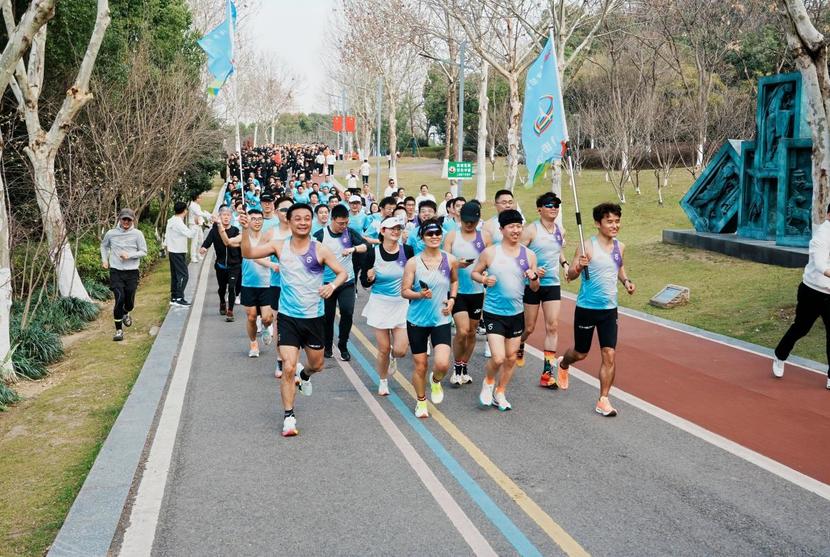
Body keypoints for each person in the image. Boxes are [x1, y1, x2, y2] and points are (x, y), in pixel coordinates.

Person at [240, 203, 348, 437]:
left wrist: (332, 285)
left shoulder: (320, 249)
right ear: (289, 221)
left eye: (307, 218)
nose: (302, 222)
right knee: (288, 367)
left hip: (314, 318)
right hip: (288, 318)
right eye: (297, 218)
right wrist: (245, 231)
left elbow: (343, 273)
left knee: (317, 364)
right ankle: (289, 416)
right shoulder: (279, 247)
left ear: (312, 222)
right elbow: (248, 253)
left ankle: (305, 375)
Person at [559, 203, 636, 417]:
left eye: (617, 221)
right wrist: (579, 267)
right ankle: (564, 363)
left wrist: (626, 282)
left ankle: (603, 399)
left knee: (609, 354)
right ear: (597, 223)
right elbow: (570, 276)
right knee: (580, 353)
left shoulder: (620, 247)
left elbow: (619, 267)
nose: (614, 225)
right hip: (586, 308)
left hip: (609, 310)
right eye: (609, 221)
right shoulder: (587, 247)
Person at [471, 209, 541, 411]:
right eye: (511, 226)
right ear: (501, 229)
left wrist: (533, 277)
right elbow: (475, 273)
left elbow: (535, 288)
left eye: (519, 226)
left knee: (511, 357)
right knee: (498, 357)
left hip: (516, 313)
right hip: (494, 312)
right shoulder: (491, 252)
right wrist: (484, 279)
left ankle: (500, 392)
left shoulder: (529, 255)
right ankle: (488, 383)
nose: (516, 230)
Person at [401, 218, 459, 418]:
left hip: (441, 319)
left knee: (442, 364)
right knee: (420, 365)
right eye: (429, 234)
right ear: (422, 237)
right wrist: (418, 295)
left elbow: (454, 281)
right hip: (417, 320)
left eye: (437, 233)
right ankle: (421, 401)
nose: (434, 237)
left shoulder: (450, 259)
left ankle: (435, 381)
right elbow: (404, 291)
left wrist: (452, 300)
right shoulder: (413, 263)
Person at [773, 202, 830, 390]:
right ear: (829, 215)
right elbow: (822, 266)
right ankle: (780, 356)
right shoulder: (821, 236)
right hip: (812, 292)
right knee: (801, 328)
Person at [519, 192, 568, 388]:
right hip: (532, 284)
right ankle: (520, 343)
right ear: (539, 209)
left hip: (552, 284)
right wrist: (531, 270)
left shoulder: (560, 230)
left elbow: (558, 249)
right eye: (549, 205)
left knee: (553, 326)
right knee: (529, 328)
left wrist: (564, 263)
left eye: (556, 204)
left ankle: (547, 373)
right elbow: (519, 255)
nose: (554, 208)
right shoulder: (531, 230)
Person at [360, 218, 414, 396]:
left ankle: (393, 358)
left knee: (400, 350)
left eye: (399, 228)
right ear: (383, 231)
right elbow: (364, 283)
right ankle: (383, 381)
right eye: (392, 229)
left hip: (401, 304)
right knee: (383, 348)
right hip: (380, 303)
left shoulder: (407, 250)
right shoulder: (372, 253)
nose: (396, 232)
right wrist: (369, 278)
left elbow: (413, 275)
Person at [313, 204, 368, 361]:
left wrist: (353, 249)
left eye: (346, 223)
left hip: (347, 281)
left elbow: (365, 245)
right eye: (340, 223)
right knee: (328, 318)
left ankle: (343, 345)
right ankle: (328, 346)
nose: (343, 226)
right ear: (332, 219)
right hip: (327, 284)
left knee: (347, 312)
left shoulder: (349, 233)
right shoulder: (320, 235)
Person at [445, 202, 491, 385]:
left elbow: (490, 260)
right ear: (459, 218)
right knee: (462, 331)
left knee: (472, 332)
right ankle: (456, 367)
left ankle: (464, 366)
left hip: (477, 291)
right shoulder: (451, 236)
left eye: (473, 221)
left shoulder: (485, 237)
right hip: (457, 290)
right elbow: (443, 261)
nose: (469, 224)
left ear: (478, 219)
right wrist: (456, 263)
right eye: (466, 221)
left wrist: (486, 271)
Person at [100, 208, 147, 341]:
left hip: (132, 272)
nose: (126, 222)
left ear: (133, 220)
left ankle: (126, 313)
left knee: (129, 302)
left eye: (129, 220)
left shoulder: (138, 234)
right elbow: (104, 246)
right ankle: (119, 330)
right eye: (124, 219)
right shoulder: (111, 233)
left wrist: (130, 256)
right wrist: (105, 260)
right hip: (116, 271)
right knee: (119, 299)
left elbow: (143, 251)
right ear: (119, 219)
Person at [237, 209, 276, 358]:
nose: (257, 221)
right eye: (254, 219)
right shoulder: (244, 238)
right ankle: (253, 343)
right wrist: (222, 228)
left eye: (260, 219)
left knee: (267, 318)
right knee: (252, 317)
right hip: (248, 284)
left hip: (266, 284)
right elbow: (228, 241)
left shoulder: (267, 239)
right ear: (248, 221)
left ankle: (266, 327)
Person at [200, 206, 241, 322]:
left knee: (232, 287)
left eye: (228, 215)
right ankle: (222, 302)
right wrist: (204, 247)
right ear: (220, 217)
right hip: (221, 265)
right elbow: (208, 241)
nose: (226, 217)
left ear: (231, 217)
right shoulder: (214, 231)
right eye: (224, 215)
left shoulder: (235, 230)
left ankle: (230, 311)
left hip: (235, 265)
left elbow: (241, 246)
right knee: (222, 288)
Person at [164, 201, 196, 307]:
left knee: (175, 275)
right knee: (184, 275)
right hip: (178, 251)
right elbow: (190, 234)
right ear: (184, 211)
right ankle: (179, 297)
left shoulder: (171, 220)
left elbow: (167, 236)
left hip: (173, 251)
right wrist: (195, 224)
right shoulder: (178, 222)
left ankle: (174, 297)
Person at [188, 192, 211, 263]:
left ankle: (198, 254)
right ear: (196, 198)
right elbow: (199, 213)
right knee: (194, 241)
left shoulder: (197, 205)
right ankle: (193, 257)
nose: (201, 199)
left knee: (200, 240)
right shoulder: (192, 205)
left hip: (198, 225)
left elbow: (199, 215)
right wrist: (209, 215)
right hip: (193, 225)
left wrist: (204, 223)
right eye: (199, 198)